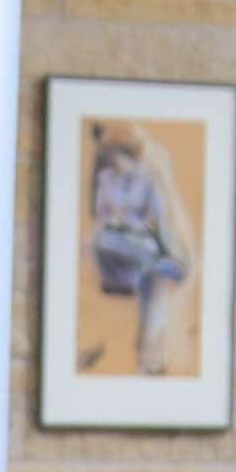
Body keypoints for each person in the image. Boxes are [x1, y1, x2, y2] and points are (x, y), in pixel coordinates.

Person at [87, 120, 193, 375]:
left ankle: (150, 358)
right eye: (113, 156)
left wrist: (171, 251)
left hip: (144, 243)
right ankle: (150, 357)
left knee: (154, 284)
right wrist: (117, 222)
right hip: (115, 245)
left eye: (122, 156)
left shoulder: (149, 179)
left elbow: (160, 221)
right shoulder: (106, 179)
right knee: (103, 240)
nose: (117, 162)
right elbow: (101, 216)